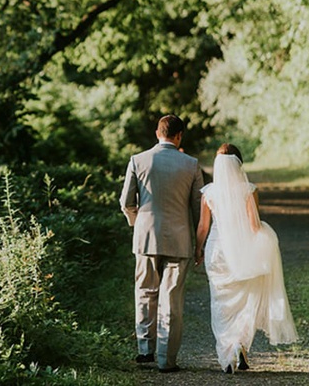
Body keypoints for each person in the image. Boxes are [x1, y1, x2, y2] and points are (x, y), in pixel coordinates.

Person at [195, 143, 298, 374]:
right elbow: (253, 225)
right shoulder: (249, 190)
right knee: (244, 302)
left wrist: (197, 249)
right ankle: (239, 346)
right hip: (241, 251)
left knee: (221, 303)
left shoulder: (209, 192)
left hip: (217, 251)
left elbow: (203, 226)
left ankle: (227, 353)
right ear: (239, 164)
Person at [120, 115, 204, 373]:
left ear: (157, 133)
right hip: (179, 239)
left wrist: (138, 222)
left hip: (145, 236)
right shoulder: (191, 165)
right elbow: (198, 209)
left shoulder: (138, 160)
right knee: (172, 298)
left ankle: (145, 349)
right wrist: (199, 244)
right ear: (179, 136)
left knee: (145, 291)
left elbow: (126, 202)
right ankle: (166, 360)